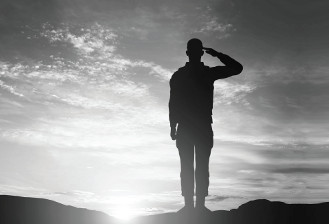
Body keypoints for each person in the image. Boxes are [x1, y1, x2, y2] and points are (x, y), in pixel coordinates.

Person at [169, 38, 243, 214]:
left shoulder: (186, 75)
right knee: (196, 166)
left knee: (193, 166)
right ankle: (193, 205)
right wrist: (217, 54)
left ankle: (195, 205)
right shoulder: (201, 73)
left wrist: (173, 126)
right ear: (201, 53)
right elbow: (174, 102)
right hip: (195, 127)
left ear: (189, 53)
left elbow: (173, 103)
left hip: (193, 127)